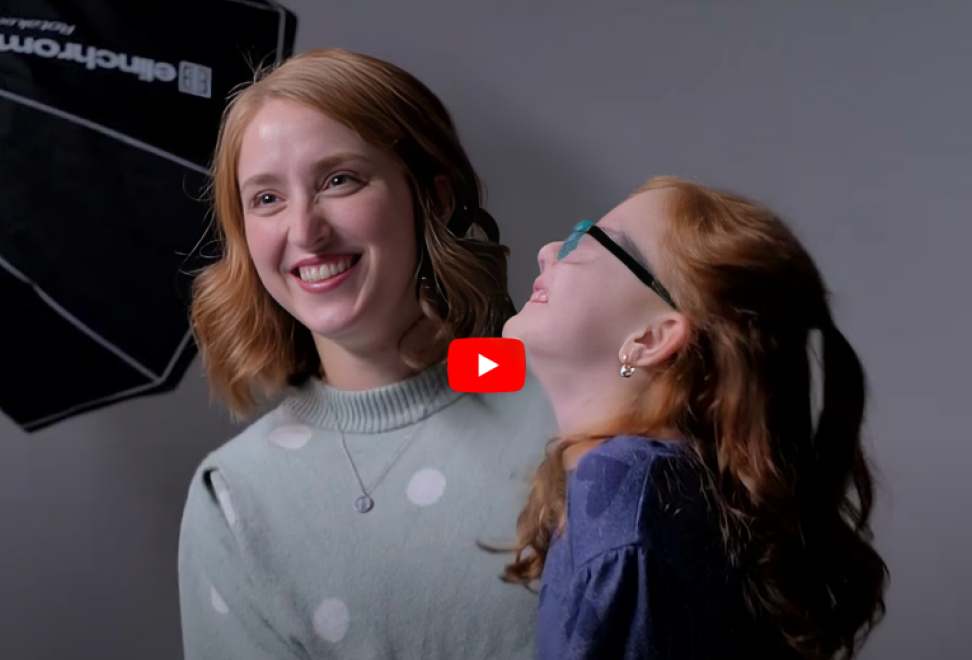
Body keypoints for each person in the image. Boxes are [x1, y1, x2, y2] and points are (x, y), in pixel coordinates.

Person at [178, 48, 555, 660]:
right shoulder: (236, 497)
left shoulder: (568, 390)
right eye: (266, 199)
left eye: (338, 180)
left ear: (431, 199)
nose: (305, 231)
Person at [502, 176, 889, 659]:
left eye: (590, 239)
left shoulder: (628, 490)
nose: (549, 249)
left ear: (650, 337)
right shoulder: (673, 489)